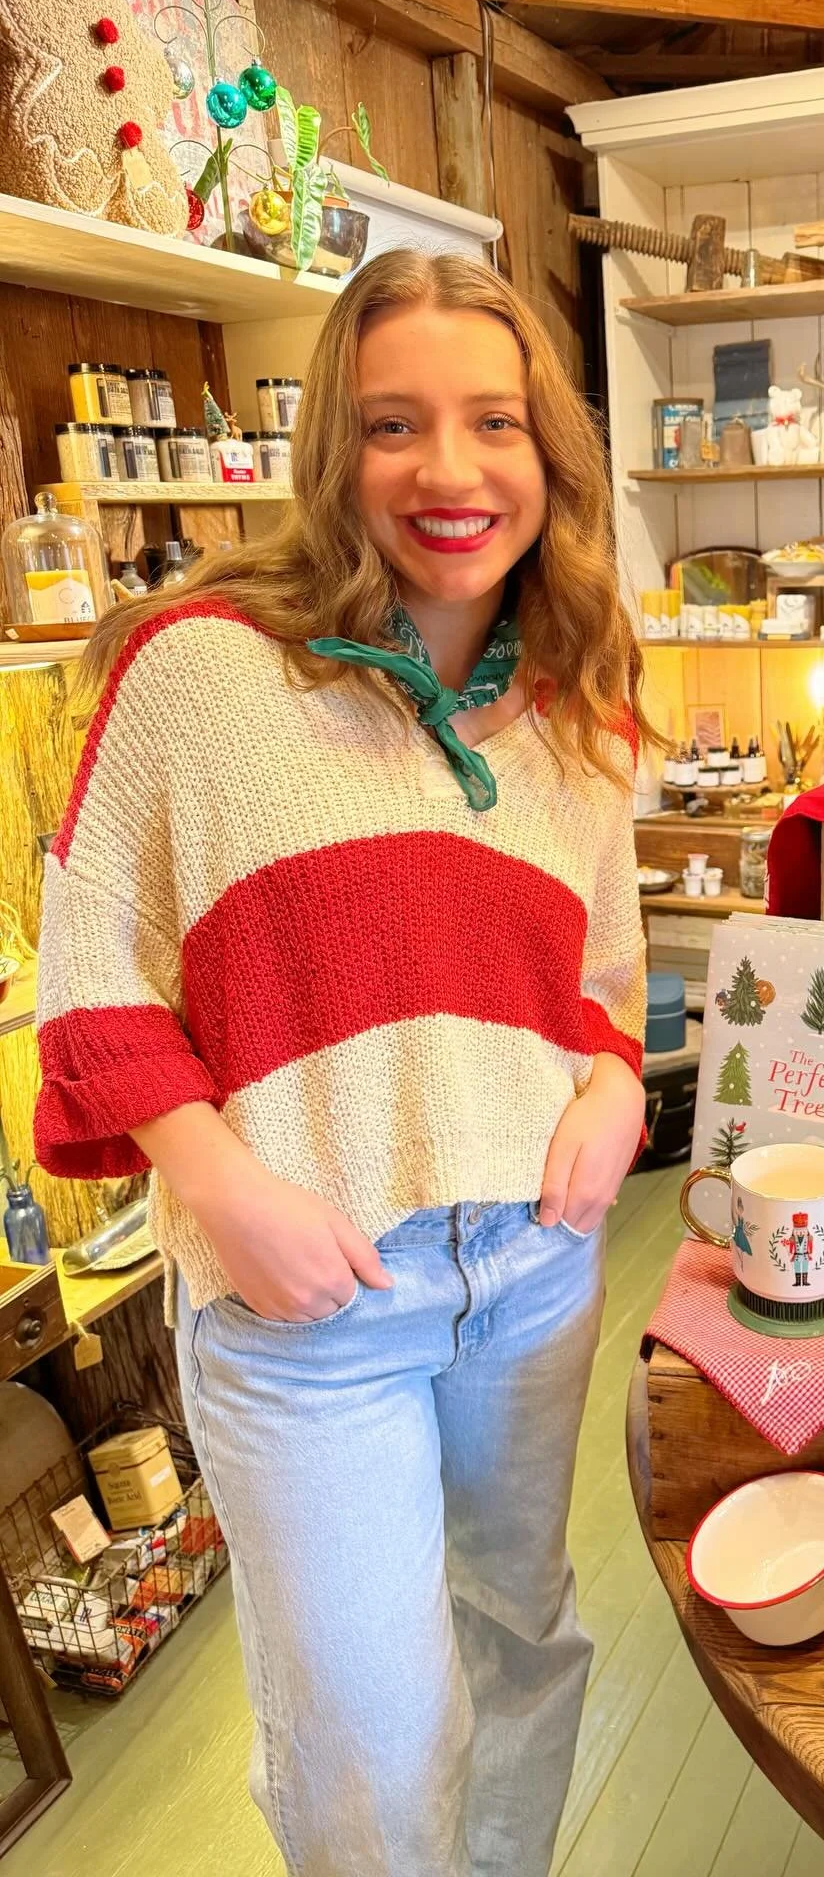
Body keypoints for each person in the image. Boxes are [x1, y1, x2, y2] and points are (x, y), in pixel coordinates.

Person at [33, 250, 652, 1877]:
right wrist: (225, 1188)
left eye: (493, 422)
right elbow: (92, 978)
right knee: (372, 1752)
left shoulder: (583, 702)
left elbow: (600, 983)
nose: (450, 472)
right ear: (333, 451)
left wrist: (617, 1085)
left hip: (530, 1270)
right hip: (312, 1310)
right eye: (394, 425)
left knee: (525, 1644)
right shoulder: (201, 675)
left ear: (549, 456)